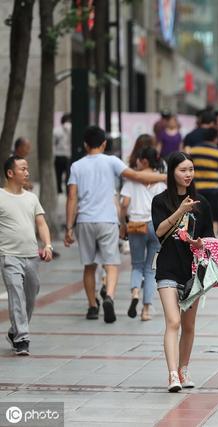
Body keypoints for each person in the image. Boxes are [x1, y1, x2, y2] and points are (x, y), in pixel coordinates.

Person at [64, 126, 165, 323]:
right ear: (103, 144)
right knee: (111, 264)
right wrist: (164, 177)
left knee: (89, 265)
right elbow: (137, 176)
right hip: (107, 220)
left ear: (85, 145)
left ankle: (93, 306)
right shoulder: (111, 161)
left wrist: (69, 227)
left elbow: (71, 197)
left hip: (84, 220)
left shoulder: (76, 166)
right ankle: (109, 295)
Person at [151, 152, 214, 392]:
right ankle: (172, 375)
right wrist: (180, 210)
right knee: (173, 321)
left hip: (193, 271)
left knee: (188, 325)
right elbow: (158, 232)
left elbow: (210, 240)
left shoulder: (203, 203)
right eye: (183, 170)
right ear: (172, 173)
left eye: (191, 169)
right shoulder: (160, 201)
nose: (188, 174)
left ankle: (183, 370)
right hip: (167, 267)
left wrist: (200, 244)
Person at [0, 156, 53, 356]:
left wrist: (47, 244)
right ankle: (22, 338)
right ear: (10, 173)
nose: (27, 172)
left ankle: (14, 331)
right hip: (9, 256)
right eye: (23, 169)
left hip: (31, 256)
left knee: (31, 296)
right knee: (16, 295)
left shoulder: (31, 198)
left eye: (27, 168)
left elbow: (41, 224)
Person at [120, 147, 166, 321]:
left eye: (138, 159)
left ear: (144, 161)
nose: (136, 162)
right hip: (155, 226)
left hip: (135, 226)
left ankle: (135, 293)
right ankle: (146, 310)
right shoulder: (161, 183)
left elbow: (124, 204)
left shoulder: (131, 181)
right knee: (150, 269)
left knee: (137, 265)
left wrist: (123, 223)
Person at [190, 128, 218, 241]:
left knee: (198, 212)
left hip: (197, 188)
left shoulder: (194, 150)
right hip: (213, 187)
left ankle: (197, 234)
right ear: (216, 138)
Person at [53, 113, 72, 194]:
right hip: (68, 155)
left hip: (59, 155)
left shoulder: (56, 130)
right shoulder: (72, 129)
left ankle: (59, 190)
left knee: (58, 174)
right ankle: (68, 190)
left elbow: (53, 144)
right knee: (68, 175)